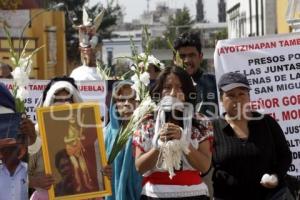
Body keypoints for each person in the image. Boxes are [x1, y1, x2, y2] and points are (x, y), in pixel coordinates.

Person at [133, 65, 211, 199]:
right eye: (167, 88)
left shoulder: (200, 121)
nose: (173, 93)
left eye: (180, 87)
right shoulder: (147, 122)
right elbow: (140, 167)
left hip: (194, 194)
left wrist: (184, 142)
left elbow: (204, 167)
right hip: (155, 195)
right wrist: (158, 145)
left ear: (187, 92)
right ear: (159, 91)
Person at [212, 72, 292, 200]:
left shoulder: (266, 122)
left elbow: (285, 156)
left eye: (241, 94)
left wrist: (276, 177)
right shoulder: (213, 128)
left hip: (272, 196)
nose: (237, 99)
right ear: (221, 99)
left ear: (249, 97)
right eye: (230, 95)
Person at [29, 76, 83, 200]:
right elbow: (17, 174)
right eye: (57, 99)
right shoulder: (36, 134)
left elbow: (96, 170)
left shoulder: (86, 132)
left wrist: (104, 173)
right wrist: (35, 182)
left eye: (68, 99)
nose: (63, 103)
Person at [103, 81, 142, 200]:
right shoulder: (105, 134)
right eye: (121, 100)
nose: (127, 104)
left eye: (132, 99)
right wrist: (103, 173)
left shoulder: (148, 131)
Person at [173, 31, 218, 117]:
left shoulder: (215, 83)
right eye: (182, 56)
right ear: (174, 60)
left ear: (200, 57)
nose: (187, 60)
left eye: (192, 55)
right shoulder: (167, 86)